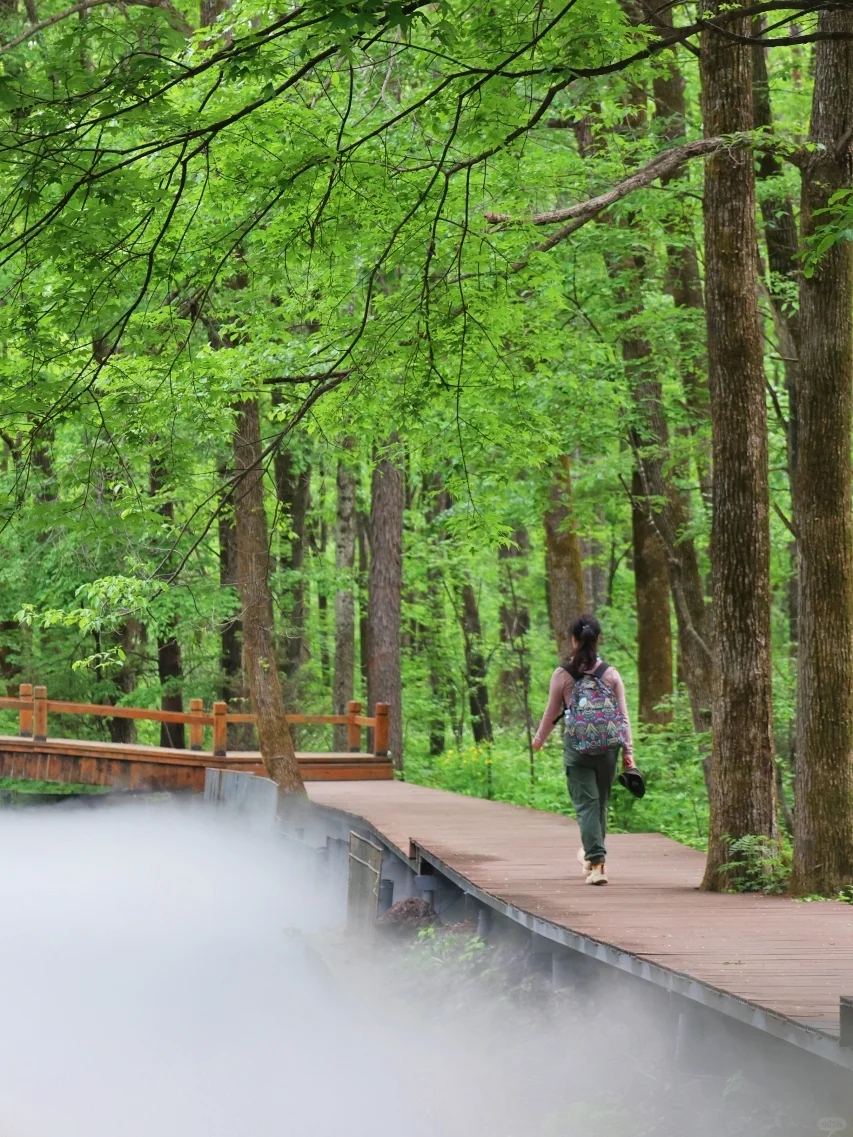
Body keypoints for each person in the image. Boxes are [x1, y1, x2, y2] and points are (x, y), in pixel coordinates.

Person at [532, 614, 635, 886]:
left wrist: (539, 739)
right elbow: (623, 717)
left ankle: (598, 864)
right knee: (600, 804)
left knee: (587, 805)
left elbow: (551, 712)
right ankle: (592, 858)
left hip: (577, 749)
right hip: (608, 749)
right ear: (598, 639)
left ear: (574, 640)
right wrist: (628, 752)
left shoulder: (563, 675)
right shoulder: (611, 674)